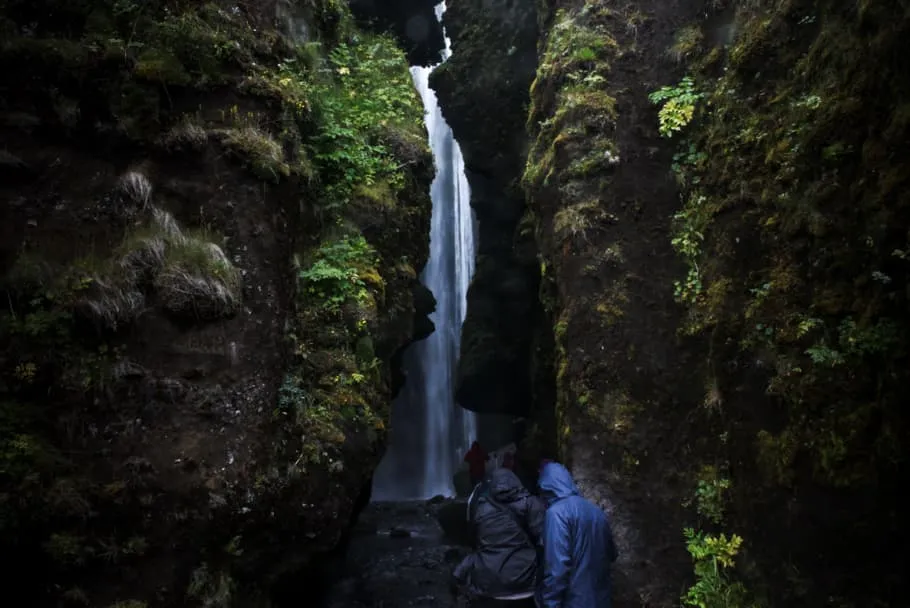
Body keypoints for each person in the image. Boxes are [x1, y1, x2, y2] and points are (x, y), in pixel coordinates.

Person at [453, 467, 547, 602]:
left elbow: (472, 540)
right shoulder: (530, 503)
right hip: (526, 582)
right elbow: (544, 539)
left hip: (489, 584)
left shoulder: (481, 508)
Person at [537, 462, 618, 608]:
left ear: (546, 487)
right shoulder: (596, 511)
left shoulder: (556, 514)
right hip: (602, 600)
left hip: (574, 601)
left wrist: (550, 603)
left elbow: (557, 568)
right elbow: (612, 554)